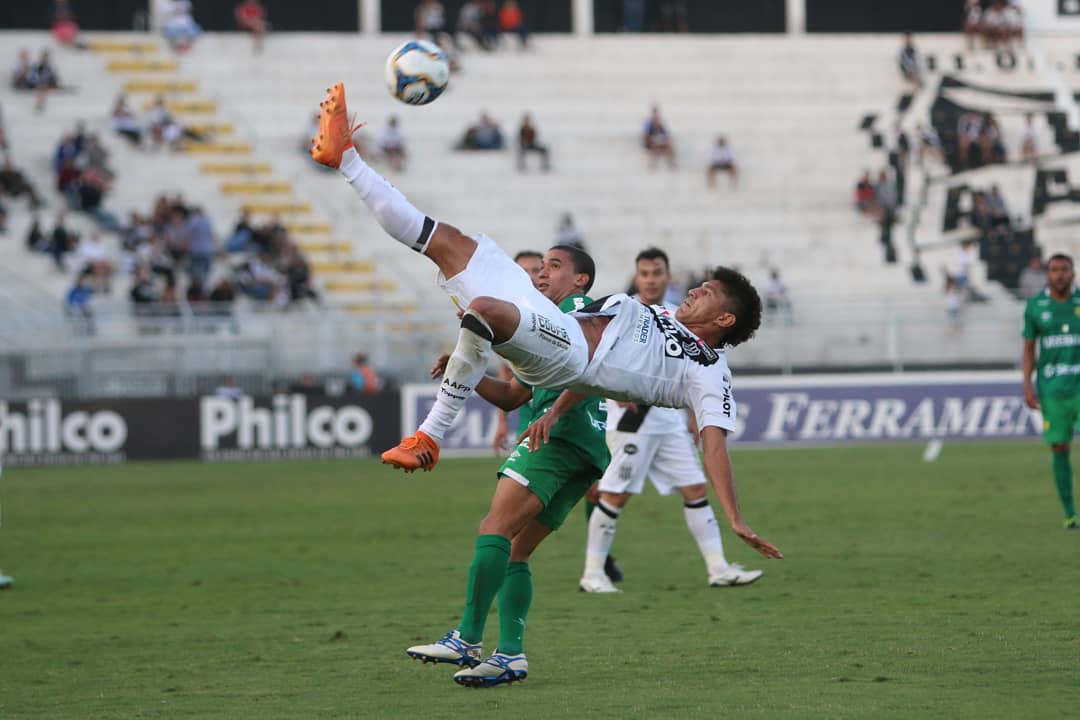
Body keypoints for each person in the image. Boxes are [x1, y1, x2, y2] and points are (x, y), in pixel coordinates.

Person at [310, 78, 781, 542]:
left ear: (725, 320)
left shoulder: (711, 373)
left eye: (710, 292)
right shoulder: (664, 312)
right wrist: (555, 410)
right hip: (556, 327)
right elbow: (601, 369)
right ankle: (346, 159)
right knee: (448, 243)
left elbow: (715, 445)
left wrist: (736, 517)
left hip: (570, 353)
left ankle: (430, 435)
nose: (696, 289)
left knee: (484, 310)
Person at [405, 244, 609, 686]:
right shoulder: (547, 330)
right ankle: (511, 655)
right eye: (539, 269)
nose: (541, 275)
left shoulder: (577, 311)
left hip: (559, 436)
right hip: (586, 450)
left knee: (493, 529)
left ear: (581, 281)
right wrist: (469, 372)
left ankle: (467, 638)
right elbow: (516, 396)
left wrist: (552, 413)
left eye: (554, 267)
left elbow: (594, 366)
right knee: (517, 550)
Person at [580, 248, 762, 593]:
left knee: (695, 489)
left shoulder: (681, 311)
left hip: (669, 423)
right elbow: (596, 362)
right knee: (615, 496)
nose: (650, 280)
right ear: (637, 278)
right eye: (644, 274)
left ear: (667, 277)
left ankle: (718, 568)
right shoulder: (629, 310)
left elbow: (691, 368)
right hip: (635, 423)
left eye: (657, 273)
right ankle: (593, 572)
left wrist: (695, 413)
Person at [1022, 254, 1080, 530]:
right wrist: (1027, 384)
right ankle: (1070, 513)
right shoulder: (1036, 307)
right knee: (1060, 447)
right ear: (1047, 274)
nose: (1059, 275)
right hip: (1052, 390)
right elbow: (1029, 349)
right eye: (1054, 270)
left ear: (1073, 273)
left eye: (1064, 270)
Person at [491, 250, 544, 455]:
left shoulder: (558, 310)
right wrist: (502, 423)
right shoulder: (508, 316)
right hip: (528, 411)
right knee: (520, 479)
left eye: (536, 270)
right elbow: (506, 372)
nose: (530, 276)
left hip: (561, 410)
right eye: (523, 271)